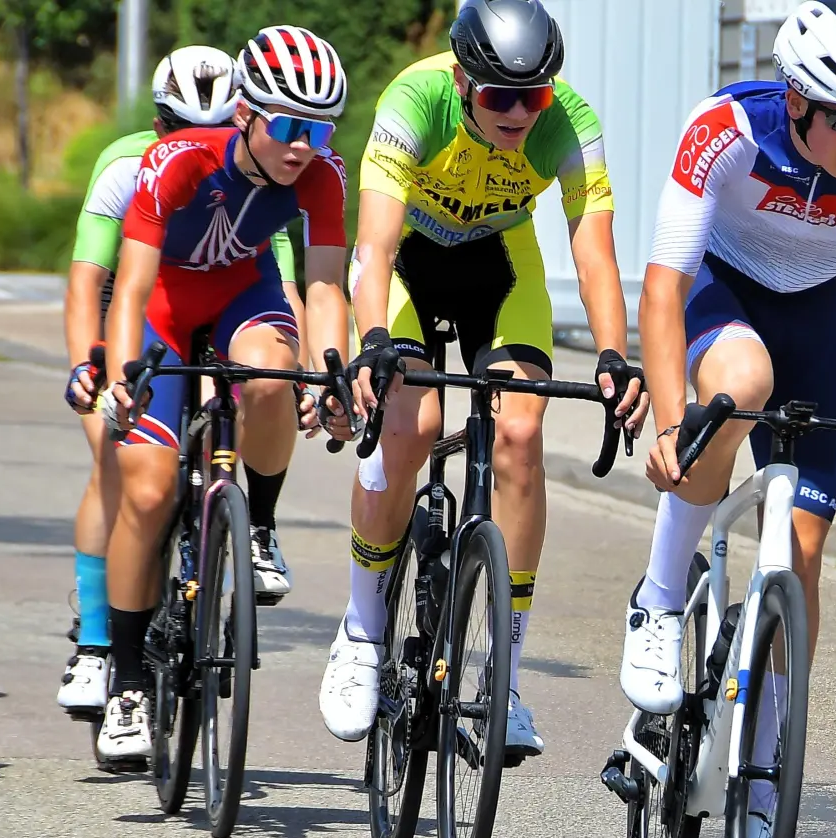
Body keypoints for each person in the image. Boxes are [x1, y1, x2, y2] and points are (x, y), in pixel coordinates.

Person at [618, 1, 836, 838]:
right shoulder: (724, 130)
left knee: (799, 561)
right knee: (742, 384)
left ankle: (762, 802)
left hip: (816, 316)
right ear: (797, 101)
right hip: (719, 295)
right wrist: (663, 420)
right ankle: (656, 601)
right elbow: (661, 287)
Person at [318, 0, 646, 757]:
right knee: (412, 422)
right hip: (413, 267)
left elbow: (594, 251)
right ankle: (364, 631)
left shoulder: (568, 120)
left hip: (498, 269)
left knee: (521, 432)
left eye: (533, 96)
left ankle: (505, 672)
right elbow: (373, 242)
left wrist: (610, 355)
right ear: (465, 82)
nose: (520, 113)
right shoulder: (416, 99)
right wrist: (371, 341)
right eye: (501, 96)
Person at [94, 25, 352, 763]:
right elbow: (133, 281)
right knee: (145, 494)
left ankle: (260, 528)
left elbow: (325, 282)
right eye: (289, 125)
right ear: (243, 114)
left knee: (273, 379)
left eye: (320, 128)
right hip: (164, 307)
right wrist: (119, 375)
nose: (304, 144)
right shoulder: (177, 161)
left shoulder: (322, 176)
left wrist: (331, 364)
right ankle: (128, 678)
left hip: (244, 292)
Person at [58, 45, 312, 719]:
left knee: (248, 388)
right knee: (121, 467)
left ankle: (219, 543)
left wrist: (300, 374)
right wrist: (89, 364)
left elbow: (284, 282)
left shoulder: (255, 177)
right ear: (157, 121)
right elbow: (90, 280)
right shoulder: (127, 165)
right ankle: (95, 642)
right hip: (137, 300)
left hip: (225, 299)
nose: (195, 141)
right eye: (178, 127)